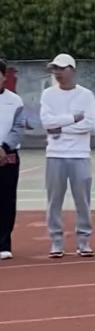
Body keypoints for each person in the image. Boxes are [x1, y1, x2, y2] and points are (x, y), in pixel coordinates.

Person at [40, 54, 95, 258]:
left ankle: (84, 240)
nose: (58, 72)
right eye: (55, 69)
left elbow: (89, 124)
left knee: (82, 200)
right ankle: (56, 240)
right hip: (55, 154)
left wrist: (61, 127)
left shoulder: (86, 95)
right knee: (54, 200)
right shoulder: (48, 94)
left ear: (72, 69)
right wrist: (73, 118)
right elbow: (47, 123)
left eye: (61, 68)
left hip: (80, 154)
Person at [0, 58, 24, 261]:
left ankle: (4, 244)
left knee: (6, 201)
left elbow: (18, 127)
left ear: (3, 77)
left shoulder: (15, 101)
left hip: (7, 157)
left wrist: (4, 147)